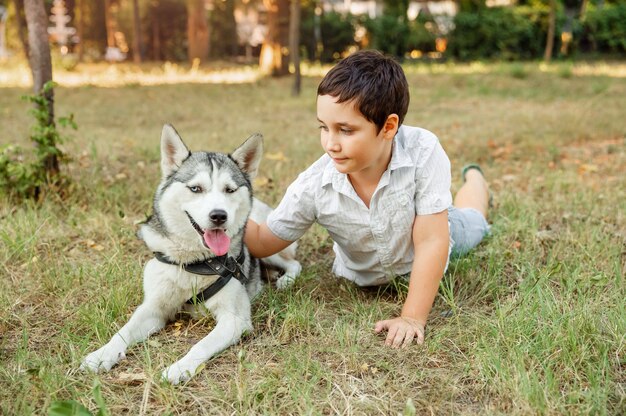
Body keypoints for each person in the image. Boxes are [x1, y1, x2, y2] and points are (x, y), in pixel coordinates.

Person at [244, 50, 490, 348]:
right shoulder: (314, 185)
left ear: (388, 127)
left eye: (345, 130)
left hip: (437, 232)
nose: (331, 144)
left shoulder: (423, 150)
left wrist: (412, 317)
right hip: (363, 273)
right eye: (324, 127)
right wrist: (213, 215)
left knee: (473, 220)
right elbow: (262, 241)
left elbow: (431, 242)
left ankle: (475, 178)